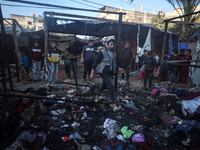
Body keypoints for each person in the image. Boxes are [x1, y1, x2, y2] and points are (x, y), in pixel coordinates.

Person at [90, 37, 124, 111]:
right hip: (102, 72)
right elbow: (95, 62)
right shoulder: (101, 52)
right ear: (107, 44)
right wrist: (92, 72)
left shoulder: (112, 53)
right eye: (111, 44)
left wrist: (119, 68)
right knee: (111, 86)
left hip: (108, 72)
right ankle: (114, 105)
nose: (112, 46)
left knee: (104, 85)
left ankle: (97, 96)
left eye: (113, 44)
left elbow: (113, 63)